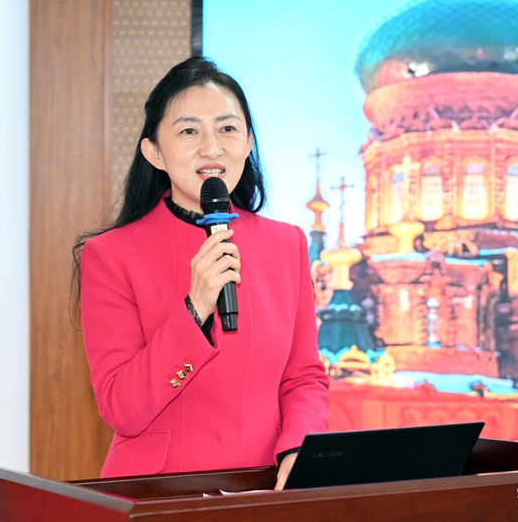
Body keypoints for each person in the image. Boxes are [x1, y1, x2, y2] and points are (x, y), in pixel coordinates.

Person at [73, 56, 330, 490]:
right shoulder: (111, 255)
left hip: (263, 488)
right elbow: (121, 408)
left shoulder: (286, 244)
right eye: (189, 131)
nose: (212, 148)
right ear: (154, 152)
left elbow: (303, 377)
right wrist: (195, 309)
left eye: (227, 129)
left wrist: (300, 449)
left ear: (248, 143)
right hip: (158, 493)